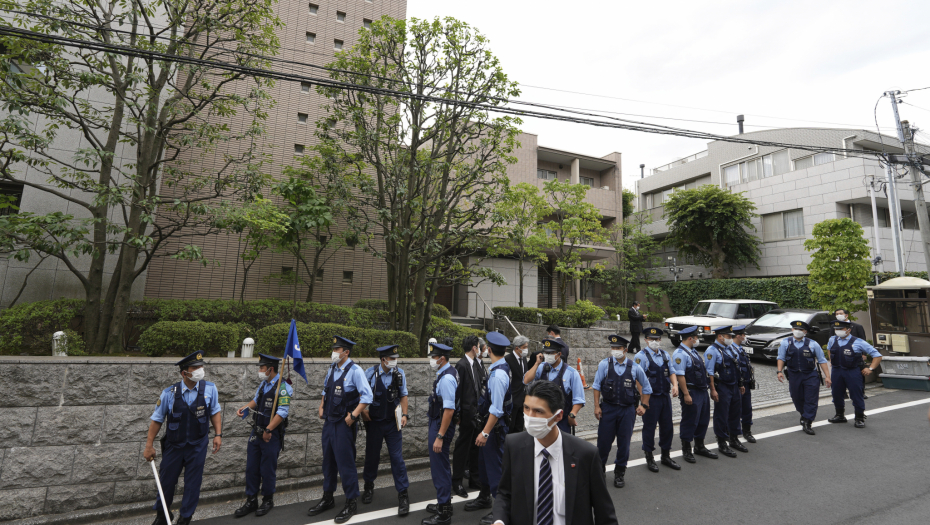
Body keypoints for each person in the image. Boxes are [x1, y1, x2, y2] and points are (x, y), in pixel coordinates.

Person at [491, 380, 618, 525]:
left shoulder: (586, 454)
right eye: (526, 408)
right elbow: (505, 493)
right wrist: (499, 521)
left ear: (558, 416)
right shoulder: (514, 445)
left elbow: (604, 513)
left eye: (538, 411)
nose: (530, 416)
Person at [143, 351, 222, 525]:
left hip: (197, 445)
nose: (200, 370)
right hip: (174, 446)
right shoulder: (169, 393)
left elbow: (215, 411)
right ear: (184, 373)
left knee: (193, 484)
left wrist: (218, 434)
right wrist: (149, 445)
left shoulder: (210, 389)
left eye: (201, 367)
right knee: (166, 482)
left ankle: (185, 517)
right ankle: (163, 515)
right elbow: (157, 420)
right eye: (195, 368)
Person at [307, 336, 373, 524]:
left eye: (337, 349)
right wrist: (321, 406)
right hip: (329, 423)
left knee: (345, 464)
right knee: (328, 463)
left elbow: (367, 396)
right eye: (334, 349)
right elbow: (325, 391)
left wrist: (354, 415)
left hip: (344, 425)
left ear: (346, 352)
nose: (334, 352)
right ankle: (328, 498)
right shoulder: (332, 369)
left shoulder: (355, 371)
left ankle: (351, 502)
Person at [234, 354, 293, 517]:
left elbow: (282, 413)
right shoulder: (263, 384)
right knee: (252, 467)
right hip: (257, 431)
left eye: (262, 368)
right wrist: (245, 408)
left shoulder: (283, 387)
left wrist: (268, 430)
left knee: (267, 469)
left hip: (271, 435)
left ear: (270, 369)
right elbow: (255, 401)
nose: (260, 371)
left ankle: (267, 499)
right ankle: (251, 500)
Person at [465, 331, 513, 525]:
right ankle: (484, 497)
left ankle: (500, 510)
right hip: (488, 425)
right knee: (484, 465)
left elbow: (497, 409)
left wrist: (485, 433)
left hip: (494, 429)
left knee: (495, 469)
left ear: (489, 350)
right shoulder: (498, 368)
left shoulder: (498, 375)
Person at [592, 335, 651, 489]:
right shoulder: (604, 365)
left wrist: (644, 405)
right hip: (608, 409)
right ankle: (599, 470)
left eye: (618, 348)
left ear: (625, 350)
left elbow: (647, 387)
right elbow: (596, 386)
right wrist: (597, 406)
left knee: (624, 444)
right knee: (603, 442)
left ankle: (620, 472)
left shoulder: (634, 367)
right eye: (613, 348)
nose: (615, 351)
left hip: (627, 411)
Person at [361, 345, 410, 516]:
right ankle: (368, 486)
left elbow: (403, 395)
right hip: (374, 423)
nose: (394, 361)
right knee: (372, 456)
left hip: (392, 424)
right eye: (392, 358)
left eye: (396, 358)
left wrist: (405, 415)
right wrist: (363, 411)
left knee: (397, 458)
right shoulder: (370, 373)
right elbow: (362, 394)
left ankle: (403, 494)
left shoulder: (399, 373)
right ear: (383, 359)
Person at [633, 328, 681, 473]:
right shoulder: (641, 356)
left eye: (657, 339)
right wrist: (643, 400)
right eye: (651, 339)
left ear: (660, 340)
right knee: (649, 427)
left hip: (664, 396)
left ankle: (666, 456)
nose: (654, 341)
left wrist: (675, 385)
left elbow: (671, 372)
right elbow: (638, 379)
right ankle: (649, 457)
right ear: (646, 340)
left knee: (667, 427)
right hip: (651, 399)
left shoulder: (665, 355)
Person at [423, 341, 459, 525]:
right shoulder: (447, 373)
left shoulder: (446, 379)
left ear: (442, 358)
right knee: (441, 466)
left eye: (434, 357)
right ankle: (444, 503)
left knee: (440, 468)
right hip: (438, 423)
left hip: (440, 426)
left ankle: (444, 512)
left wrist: (439, 436)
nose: (431, 359)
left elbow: (449, 410)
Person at [669, 326, 717, 463]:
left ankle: (699, 446)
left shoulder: (693, 351)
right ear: (690, 338)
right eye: (696, 338)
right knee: (690, 420)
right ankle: (686, 449)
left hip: (702, 390)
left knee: (703, 419)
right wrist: (686, 394)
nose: (698, 340)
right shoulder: (680, 354)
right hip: (692, 391)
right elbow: (680, 376)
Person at [776, 321, 831, 435]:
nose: (798, 331)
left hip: (810, 375)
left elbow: (822, 360)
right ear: (792, 330)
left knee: (811, 398)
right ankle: (804, 414)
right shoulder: (786, 343)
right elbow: (781, 357)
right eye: (795, 329)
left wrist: (827, 376)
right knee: (796, 397)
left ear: (805, 332)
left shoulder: (813, 344)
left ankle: (807, 421)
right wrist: (779, 371)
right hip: (794, 375)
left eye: (801, 330)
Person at [826, 320, 882, 428]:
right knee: (836, 394)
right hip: (837, 371)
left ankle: (859, 418)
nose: (838, 331)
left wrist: (870, 368)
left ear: (848, 330)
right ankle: (840, 415)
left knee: (856, 395)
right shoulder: (832, 339)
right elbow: (829, 349)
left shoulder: (858, 341)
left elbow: (877, 355)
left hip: (852, 371)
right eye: (836, 329)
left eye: (841, 329)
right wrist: (831, 360)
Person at [524, 338, 586, 434]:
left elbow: (579, 399)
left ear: (559, 354)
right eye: (546, 353)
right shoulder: (541, 367)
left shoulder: (571, 373)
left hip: (561, 421)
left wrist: (572, 415)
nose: (547, 356)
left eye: (551, 353)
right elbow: (526, 381)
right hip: (541, 419)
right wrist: (536, 364)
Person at [704, 326, 746, 458]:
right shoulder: (712, 351)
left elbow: (737, 367)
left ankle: (734, 439)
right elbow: (709, 372)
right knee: (721, 415)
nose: (730, 338)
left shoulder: (730, 348)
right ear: (720, 336)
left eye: (731, 336)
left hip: (734, 385)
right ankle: (722, 442)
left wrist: (740, 383)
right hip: (722, 386)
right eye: (728, 336)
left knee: (735, 413)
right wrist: (713, 389)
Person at [452, 335, 485, 498]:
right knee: (462, 449)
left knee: (475, 448)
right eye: (478, 346)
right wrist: (458, 414)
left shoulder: (475, 364)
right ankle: (457, 482)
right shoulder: (462, 365)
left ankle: (474, 479)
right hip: (466, 415)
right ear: (474, 347)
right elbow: (458, 392)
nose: (479, 349)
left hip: (476, 413)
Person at [729, 326, 757, 443]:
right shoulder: (730, 350)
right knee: (735, 410)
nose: (745, 337)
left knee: (747, 408)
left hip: (746, 383)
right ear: (738, 336)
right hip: (736, 384)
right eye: (743, 335)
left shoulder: (741, 349)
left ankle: (747, 431)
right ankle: (731, 433)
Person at [835, 308, 869, 400]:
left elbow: (863, 340)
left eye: (840, 313)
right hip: (841, 355)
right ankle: (843, 393)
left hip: (855, 354)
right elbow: (831, 342)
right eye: (836, 314)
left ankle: (861, 392)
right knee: (841, 373)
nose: (838, 315)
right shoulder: (834, 327)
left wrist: (864, 354)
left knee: (858, 373)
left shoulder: (857, 326)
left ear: (846, 315)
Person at [505, 335, 530, 433]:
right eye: (524, 347)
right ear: (517, 348)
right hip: (512, 399)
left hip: (522, 399)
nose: (526, 349)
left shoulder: (523, 359)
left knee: (519, 426)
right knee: (510, 427)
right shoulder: (508, 359)